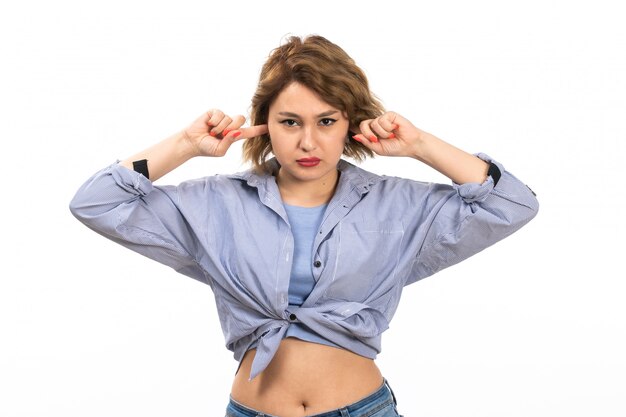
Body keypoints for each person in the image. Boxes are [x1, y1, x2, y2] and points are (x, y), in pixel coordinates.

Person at [70, 35, 539, 417]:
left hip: (361, 409)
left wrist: (419, 145)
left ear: (349, 124)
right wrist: (186, 144)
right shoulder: (216, 203)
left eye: (326, 120)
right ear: (264, 125)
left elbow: (512, 203)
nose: (308, 141)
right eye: (290, 121)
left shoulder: (397, 205)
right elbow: (96, 202)